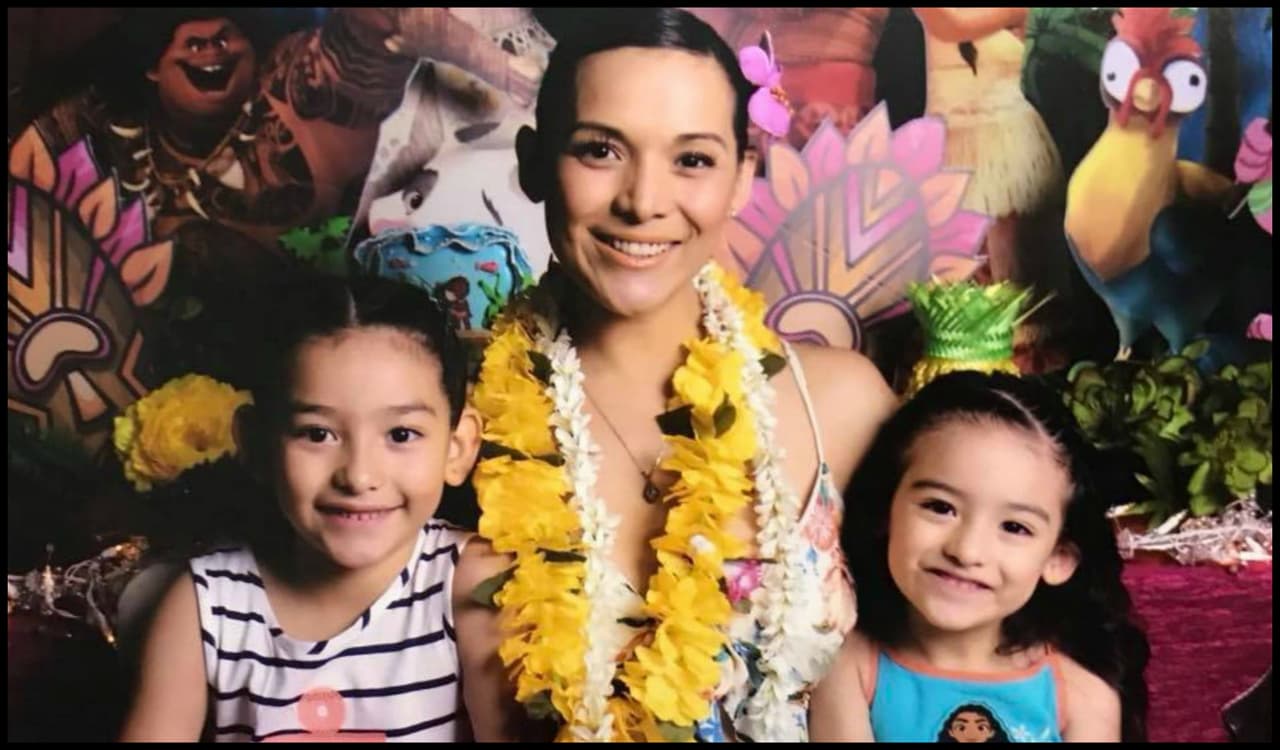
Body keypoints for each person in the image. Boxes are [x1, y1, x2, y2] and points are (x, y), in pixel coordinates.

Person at [453, 7, 896, 742]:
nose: (643, 202)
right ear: (534, 164)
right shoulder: (447, 430)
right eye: (600, 150)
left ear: (741, 178)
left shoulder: (844, 407)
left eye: (691, 160)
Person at [119, 273, 484, 741]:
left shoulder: (470, 585)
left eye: (401, 434)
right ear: (256, 445)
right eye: (317, 434)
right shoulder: (207, 606)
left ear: (457, 448)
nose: (358, 476)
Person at [810, 371, 1149, 742]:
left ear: (1058, 558)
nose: (966, 551)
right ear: (886, 510)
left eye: (1014, 527)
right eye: (940, 507)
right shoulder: (848, 667)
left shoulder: (1083, 697)